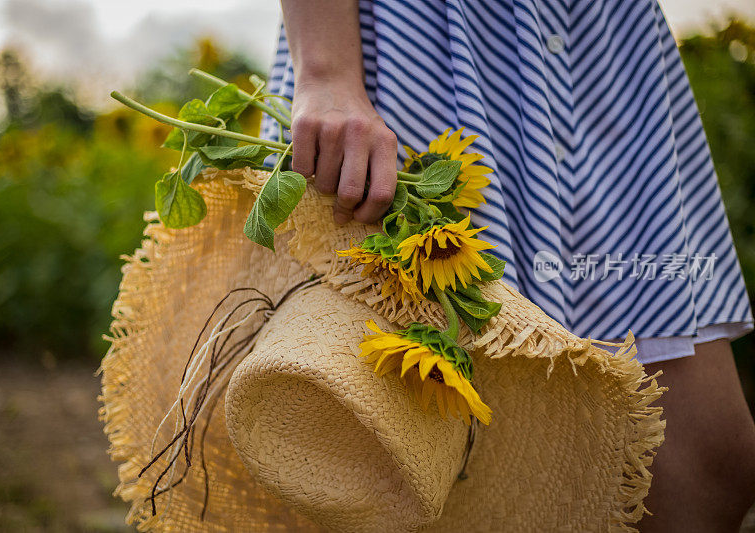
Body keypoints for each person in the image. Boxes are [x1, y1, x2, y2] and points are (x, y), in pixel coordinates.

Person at [262, 1, 755, 529]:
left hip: (603, 58)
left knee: (709, 465)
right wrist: (327, 72)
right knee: (446, 466)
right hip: (433, 53)